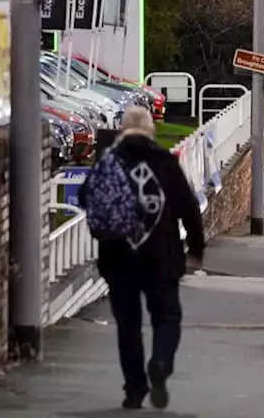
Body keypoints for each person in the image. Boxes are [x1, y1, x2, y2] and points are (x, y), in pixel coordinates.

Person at [84, 106, 205, 410]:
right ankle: (161, 363)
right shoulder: (164, 162)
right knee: (166, 316)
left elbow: (87, 197)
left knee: (128, 325)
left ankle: (134, 390)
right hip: (161, 255)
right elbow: (188, 206)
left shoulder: (110, 161)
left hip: (118, 256)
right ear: (151, 130)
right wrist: (196, 248)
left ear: (123, 129)